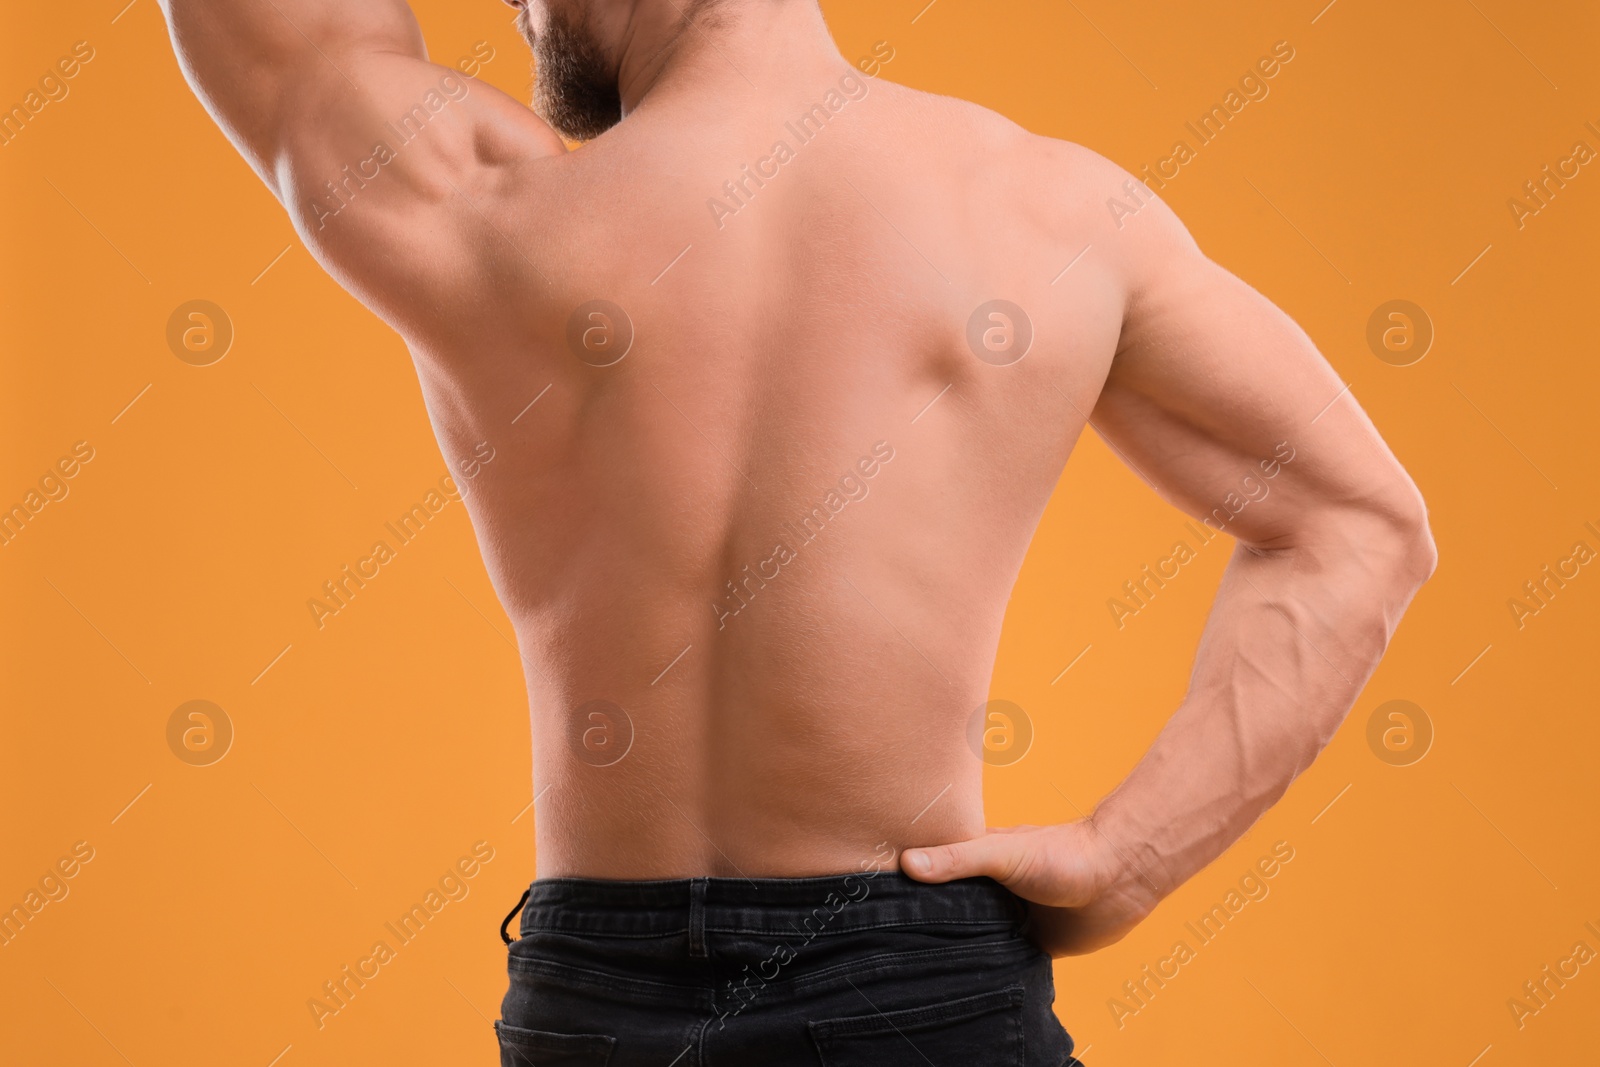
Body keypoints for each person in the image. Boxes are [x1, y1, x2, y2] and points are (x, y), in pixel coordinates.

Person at [159, 0, 1436, 1062]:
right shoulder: (1050, 217)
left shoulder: (485, 205)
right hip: (918, 981)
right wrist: (1126, 858)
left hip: (600, 1007)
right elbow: (1357, 522)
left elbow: (294, 46)